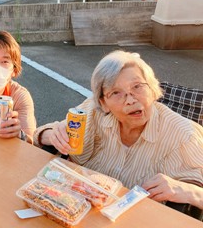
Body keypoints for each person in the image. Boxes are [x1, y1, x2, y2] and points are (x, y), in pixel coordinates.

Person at [34, 50, 203, 210]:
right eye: (116, 92)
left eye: (137, 87)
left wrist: (189, 192)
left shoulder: (184, 134)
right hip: (80, 207)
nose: (130, 100)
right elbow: (39, 135)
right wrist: (52, 135)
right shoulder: (92, 111)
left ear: (152, 89)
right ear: (103, 103)